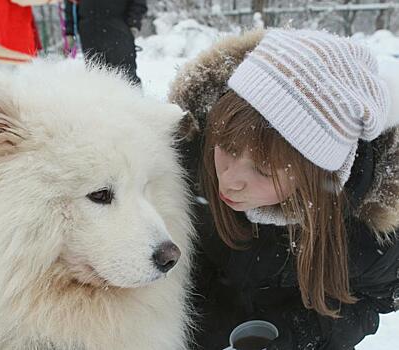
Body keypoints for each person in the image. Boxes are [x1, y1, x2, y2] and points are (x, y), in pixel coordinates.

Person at [169, 28, 399, 350]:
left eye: (263, 169)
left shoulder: (364, 230)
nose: (230, 179)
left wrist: (297, 335)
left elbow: (376, 298)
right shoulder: (185, 163)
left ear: (313, 177)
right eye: (227, 146)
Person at [64, 0, 147, 85]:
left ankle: (134, 97)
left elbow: (138, 3)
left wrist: (134, 23)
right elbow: (70, 4)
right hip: (89, 31)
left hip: (119, 28)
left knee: (125, 75)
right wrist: (70, 31)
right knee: (96, 76)